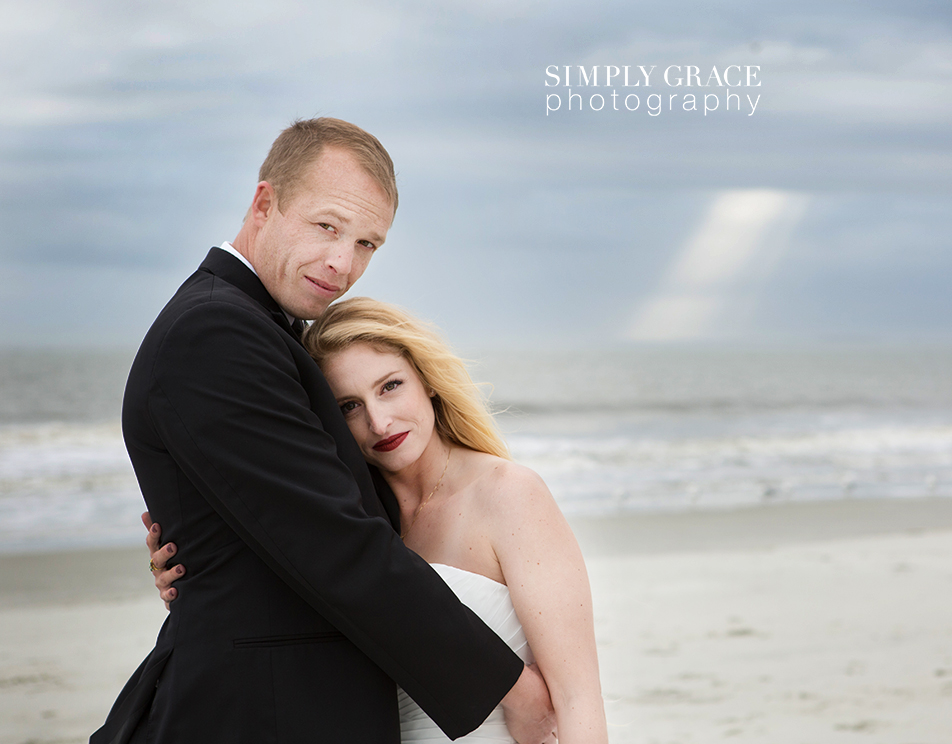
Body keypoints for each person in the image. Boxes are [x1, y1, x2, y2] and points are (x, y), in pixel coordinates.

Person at [92, 118, 554, 744]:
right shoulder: (217, 333)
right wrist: (505, 683)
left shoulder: (259, 327)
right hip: (261, 714)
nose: (342, 263)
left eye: (367, 244)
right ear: (265, 204)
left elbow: (290, 514)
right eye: (327, 227)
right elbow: (332, 540)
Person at [149, 298, 608, 743]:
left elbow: (577, 699)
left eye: (390, 386)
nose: (380, 422)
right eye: (349, 406)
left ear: (426, 379)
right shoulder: (341, 526)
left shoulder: (509, 494)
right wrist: (189, 577)